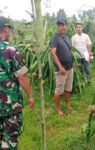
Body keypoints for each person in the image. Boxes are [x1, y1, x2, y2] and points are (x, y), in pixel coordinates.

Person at [0, 16, 35, 149]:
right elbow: (22, 76)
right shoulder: (10, 50)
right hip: (10, 106)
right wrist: (30, 95)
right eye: (8, 29)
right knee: (9, 140)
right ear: (5, 29)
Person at [50, 19, 74, 116]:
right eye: (59, 25)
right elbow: (53, 53)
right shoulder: (55, 38)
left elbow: (70, 51)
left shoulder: (68, 38)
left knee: (68, 88)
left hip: (70, 68)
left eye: (63, 25)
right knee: (59, 90)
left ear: (66, 26)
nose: (61, 27)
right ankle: (58, 109)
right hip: (61, 69)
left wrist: (73, 64)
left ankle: (68, 105)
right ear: (57, 27)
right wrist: (60, 67)